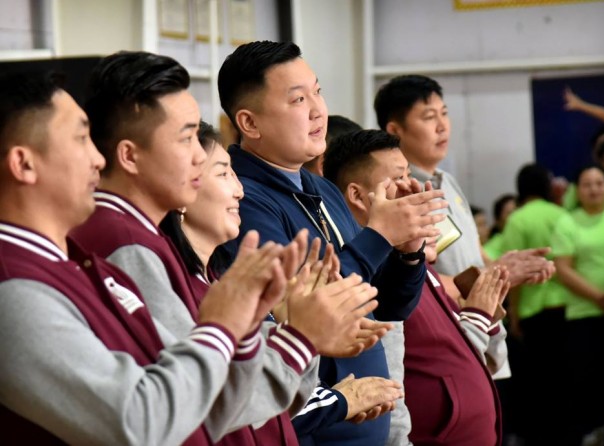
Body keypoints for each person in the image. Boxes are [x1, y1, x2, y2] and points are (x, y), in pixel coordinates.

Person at [70, 51, 381, 443]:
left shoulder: (145, 237)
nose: (198, 156)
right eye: (185, 139)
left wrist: (293, 332)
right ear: (130, 155)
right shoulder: (123, 242)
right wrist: (299, 336)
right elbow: (197, 398)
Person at [0, 71, 293, 445]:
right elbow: (139, 419)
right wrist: (223, 327)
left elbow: (199, 405)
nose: (97, 159)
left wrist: (253, 328)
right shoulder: (14, 287)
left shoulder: (80, 264)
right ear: (23, 164)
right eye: (80, 139)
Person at [218, 40, 448, 446]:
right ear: (250, 123)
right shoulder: (244, 201)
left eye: (318, 92)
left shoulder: (322, 188)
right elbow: (303, 307)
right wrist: (380, 236)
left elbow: (386, 306)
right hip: (316, 429)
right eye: (297, 99)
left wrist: (408, 252)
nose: (317, 110)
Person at [160, 121, 399, 445]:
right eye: (223, 174)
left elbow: (261, 381)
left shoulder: (214, 278)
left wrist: (296, 332)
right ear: (183, 187)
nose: (239, 190)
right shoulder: (174, 282)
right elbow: (216, 402)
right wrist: (333, 396)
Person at [323, 129, 510, 446]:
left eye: (410, 175)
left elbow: (477, 356)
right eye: (399, 179)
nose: (413, 189)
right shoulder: (371, 273)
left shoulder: (410, 259)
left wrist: (484, 315)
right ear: (357, 195)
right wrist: (478, 316)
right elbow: (388, 385)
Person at [374, 74, 555, 296]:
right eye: (429, 117)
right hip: (446, 317)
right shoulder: (396, 193)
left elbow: (477, 255)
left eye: (444, 113)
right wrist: (492, 275)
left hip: (477, 314)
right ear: (395, 130)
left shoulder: (448, 181)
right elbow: (415, 285)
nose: (442, 126)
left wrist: (509, 267)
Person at [499, 163, 570, 445]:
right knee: (564, 379)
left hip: (533, 312)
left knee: (536, 383)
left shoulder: (518, 220)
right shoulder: (562, 214)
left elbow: (513, 274)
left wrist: (514, 315)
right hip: (566, 307)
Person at [552, 165, 604, 446]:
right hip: (584, 316)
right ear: (577, 190)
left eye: (600, 183)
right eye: (587, 184)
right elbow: (563, 269)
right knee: (588, 383)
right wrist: (601, 298)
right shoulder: (567, 222)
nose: (594, 189)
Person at [483, 194, 516, 261]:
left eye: (518, 212)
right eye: (510, 213)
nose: (516, 217)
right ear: (498, 220)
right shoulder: (489, 250)